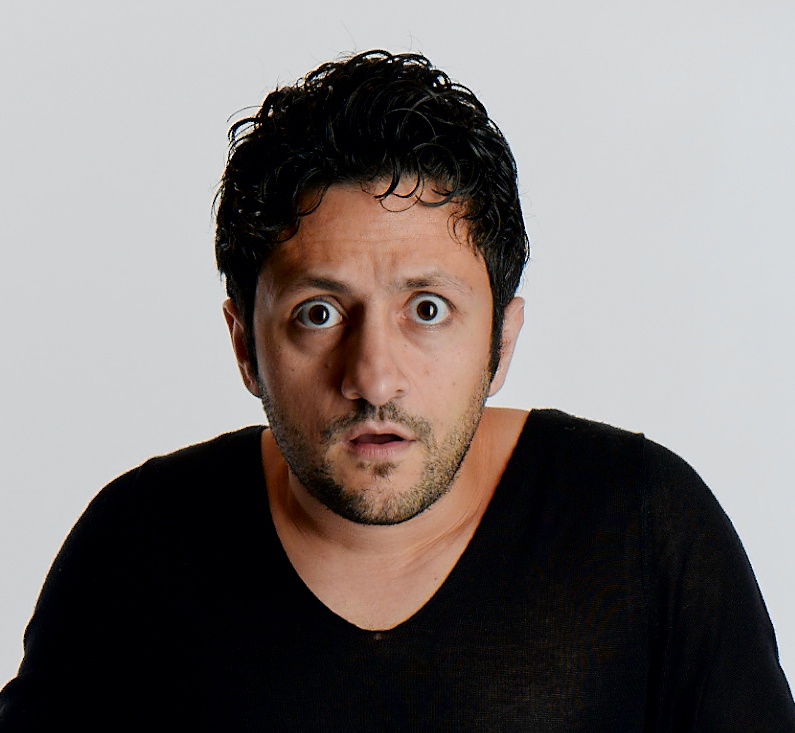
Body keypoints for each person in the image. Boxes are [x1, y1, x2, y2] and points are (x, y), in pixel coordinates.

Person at [1, 50, 793, 732]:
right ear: (245, 346)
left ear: (500, 339)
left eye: (427, 309)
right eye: (318, 313)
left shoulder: (644, 529)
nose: (374, 378)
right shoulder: (135, 550)